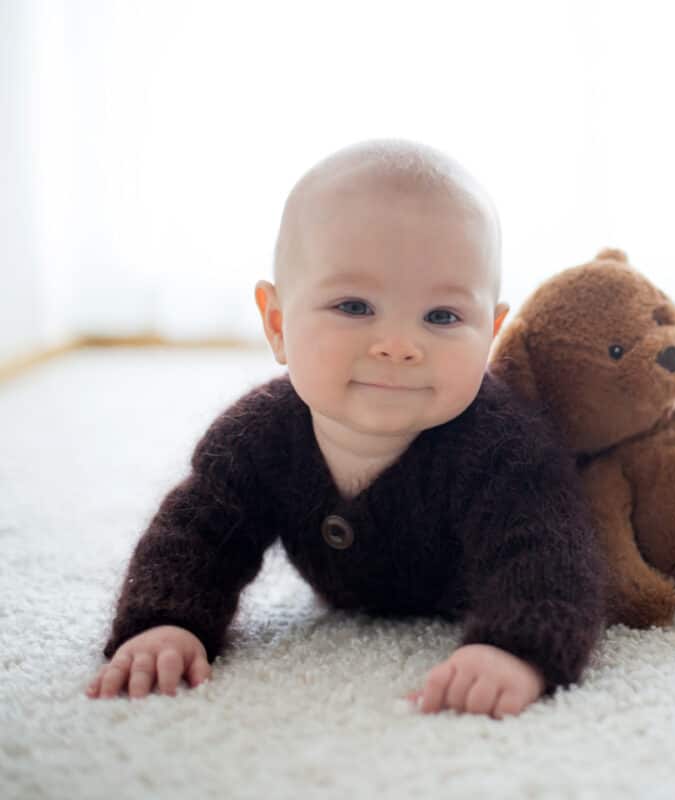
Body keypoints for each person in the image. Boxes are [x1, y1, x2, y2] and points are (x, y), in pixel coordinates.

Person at [86, 139, 604, 718]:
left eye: (442, 317)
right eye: (354, 307)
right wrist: (163, 623)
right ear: (278, 324)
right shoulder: (258, 437)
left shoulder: (505, 447)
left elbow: (549, 556)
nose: (399, 346)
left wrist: (517, 649)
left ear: (489, 334)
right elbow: (196, 535)